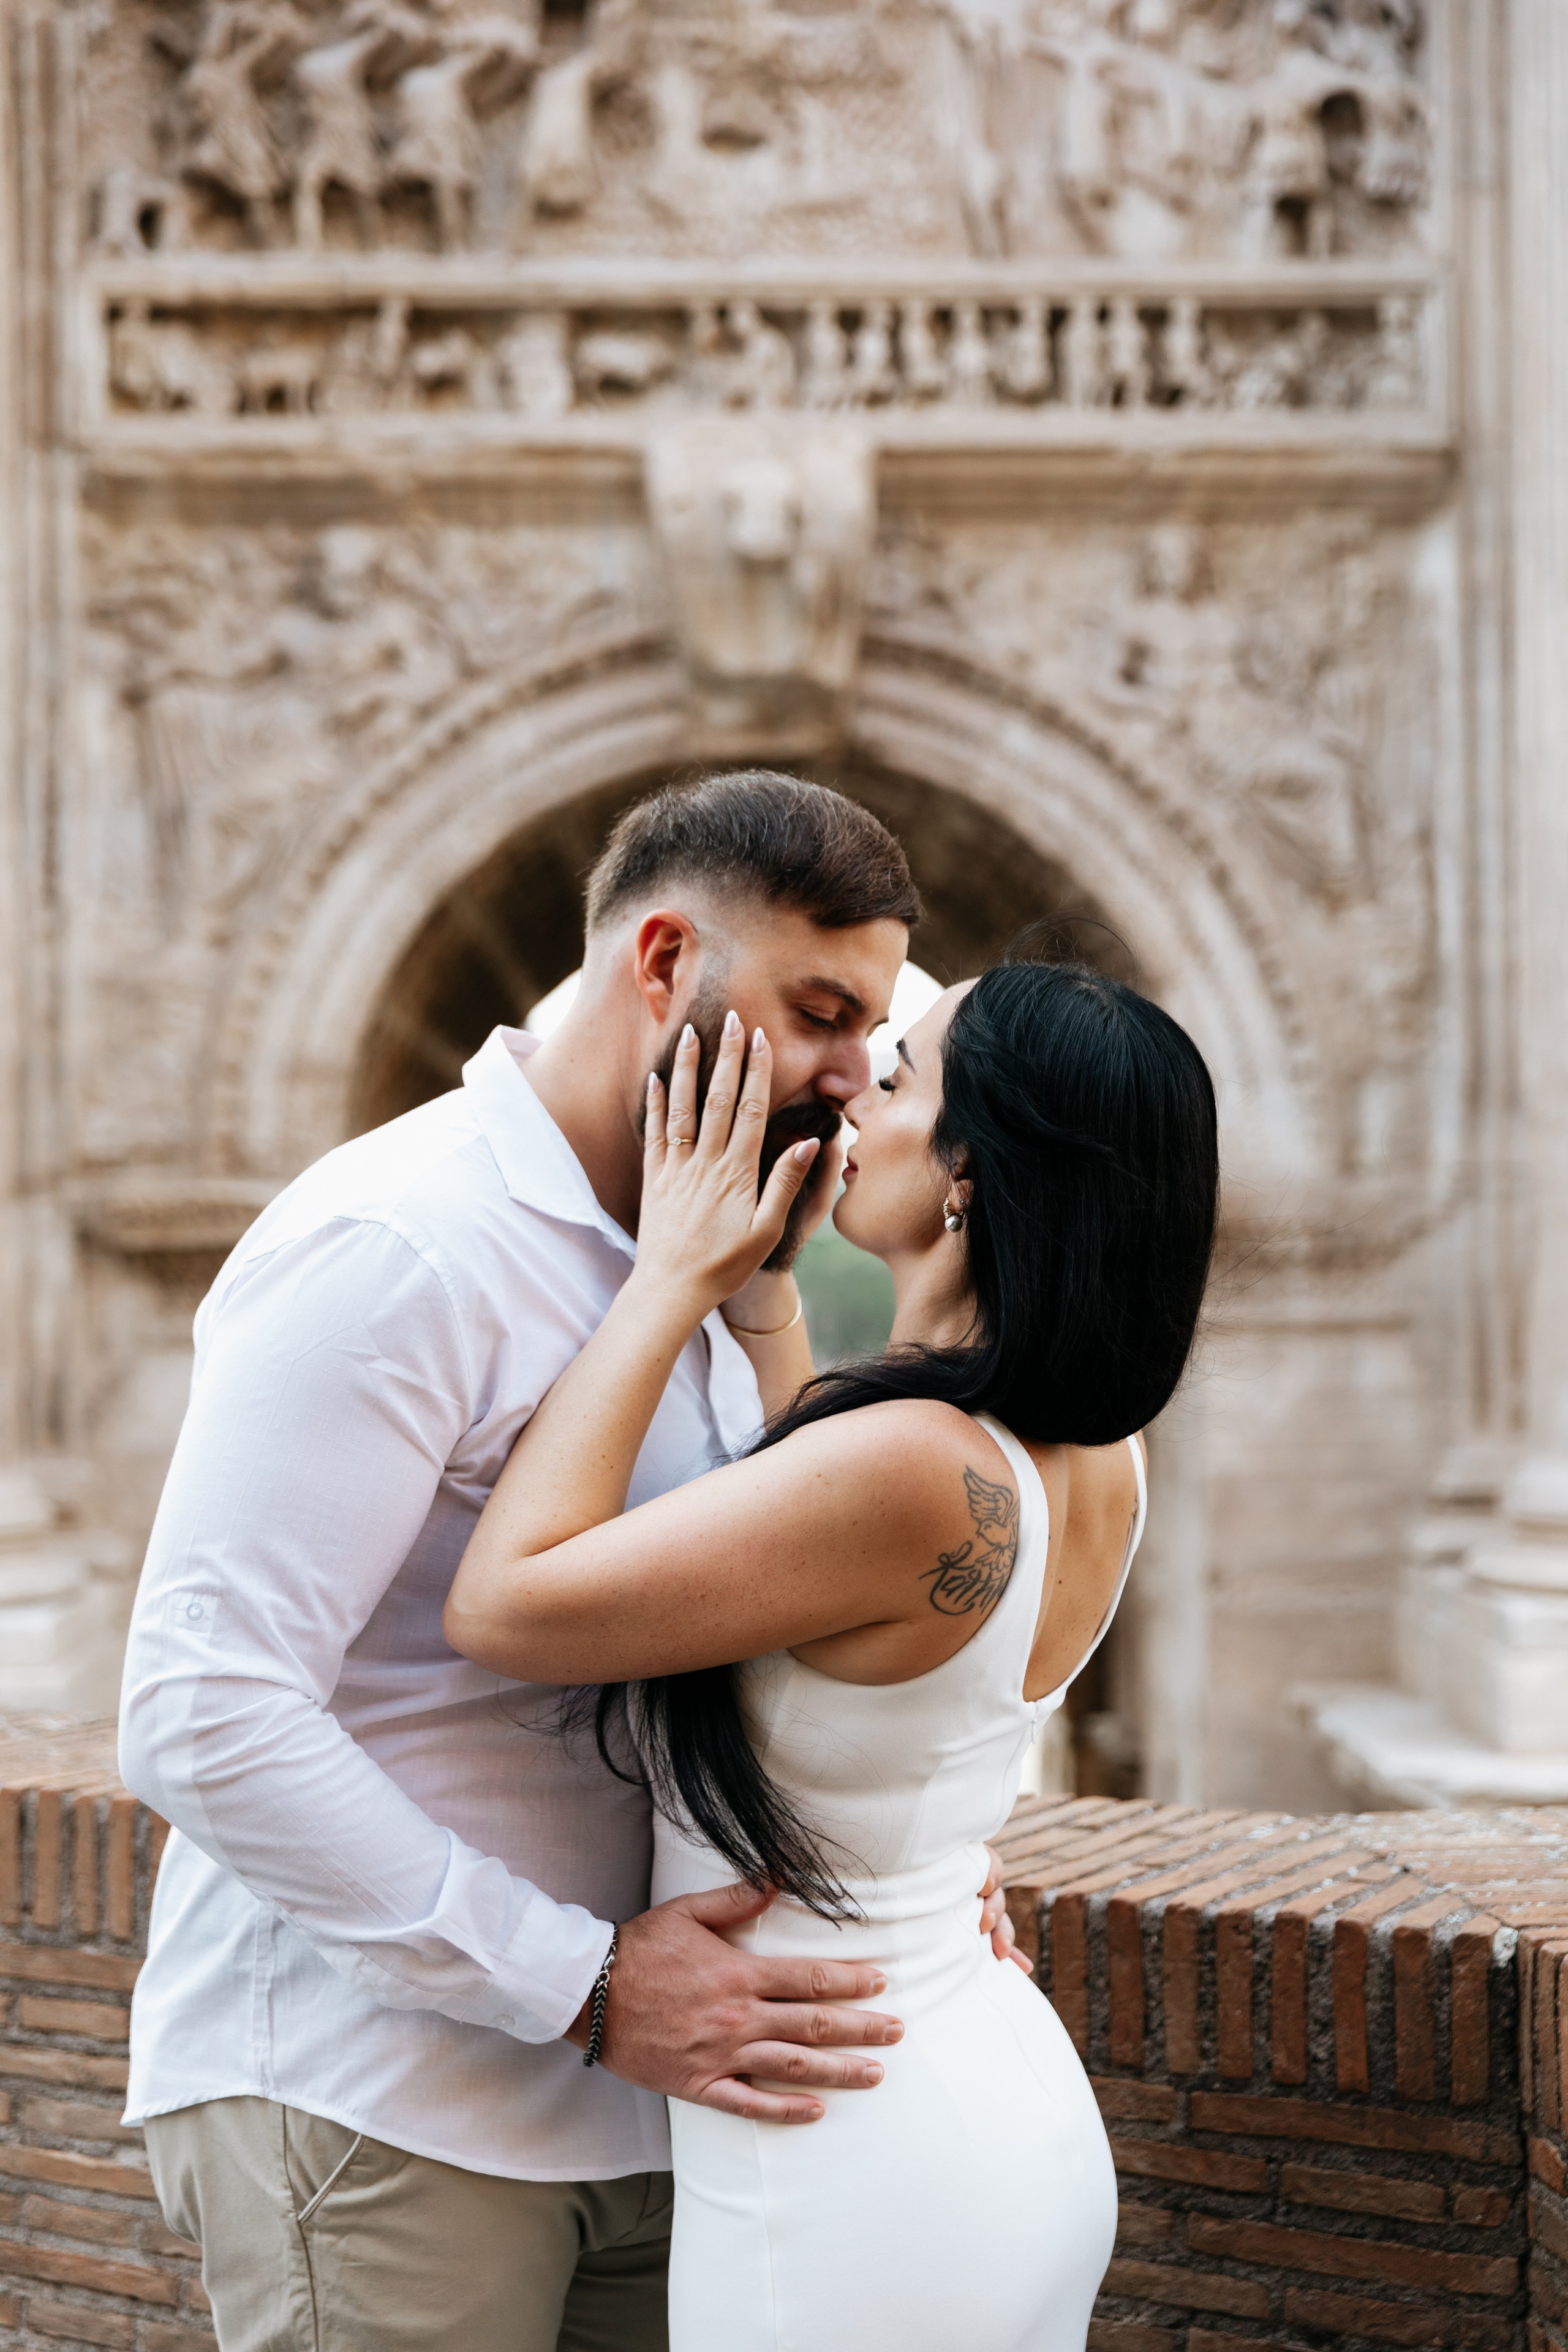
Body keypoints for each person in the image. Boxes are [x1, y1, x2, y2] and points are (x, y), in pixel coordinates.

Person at [117, 771, 1024, 2352]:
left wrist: (901, 1867)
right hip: (388, 2105)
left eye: (871, 1038)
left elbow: (773, 1639)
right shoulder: (400, 1243)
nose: (842, 1074)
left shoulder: (728, 1261)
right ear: (664, 962)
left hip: (665, 2118)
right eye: (819, 1012)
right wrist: (584, 1985)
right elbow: (203, 1709)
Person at [444, 956, 1219, 2351]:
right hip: (966, 2095)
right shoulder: (1089, 1448)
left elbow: (505, 1603)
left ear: (972, 1169)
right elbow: (844, 1570)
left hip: (848, 2160)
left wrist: (669, 1278)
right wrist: (765, 1298)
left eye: (904, 1068)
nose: (862, 1083)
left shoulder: (909, 1475)